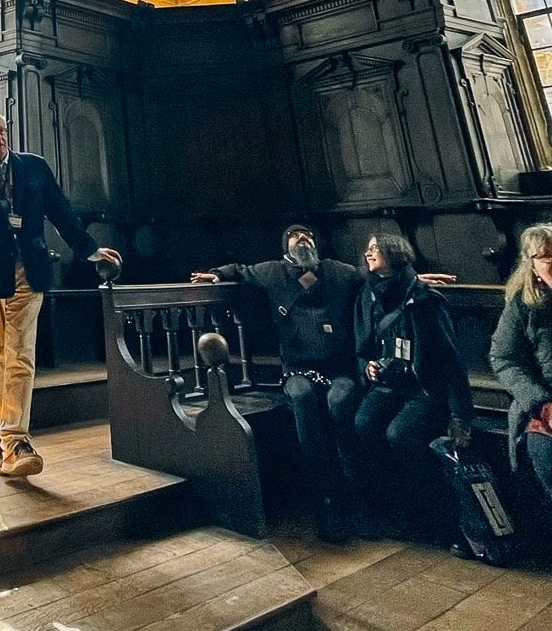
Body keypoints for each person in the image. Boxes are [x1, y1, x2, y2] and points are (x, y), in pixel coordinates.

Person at [0, 111, 121, 478]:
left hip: (29, 272)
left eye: (2, 130)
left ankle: (16, 438)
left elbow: (61, 211)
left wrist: (91, 250)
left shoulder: (34, 168)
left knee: (20, 354)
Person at [192, 225, 362, 539]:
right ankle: (323, 496)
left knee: (340, 401)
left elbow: (372, 276)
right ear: (286, 246)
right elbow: (240, 271)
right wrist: (216, 274)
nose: (303, 239)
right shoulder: (273, 271)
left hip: (339, 368)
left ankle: (352, 492)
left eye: (308, 236)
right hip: (298, 369)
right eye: (296, 237)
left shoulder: (337, 271)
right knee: (302, 397)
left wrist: (415, 277)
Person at [489, 222, 552, 592]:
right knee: (551, 461)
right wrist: (545, 407)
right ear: (531, 266)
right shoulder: (524, 303)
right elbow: (504, 359)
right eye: (545, 256)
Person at [352, 232, 473, 544]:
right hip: (388, 385)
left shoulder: (424, 300)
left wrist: (460, 414)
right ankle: (397, 507)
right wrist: (369, 366)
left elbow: (450, 361)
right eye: (367, 249)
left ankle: (434, 516)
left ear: (395, 252)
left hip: (424, 387)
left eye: (376, 247)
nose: (369, 253)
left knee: (400, 434)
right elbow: (362, 348)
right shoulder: (367, 295)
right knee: (364, 423)